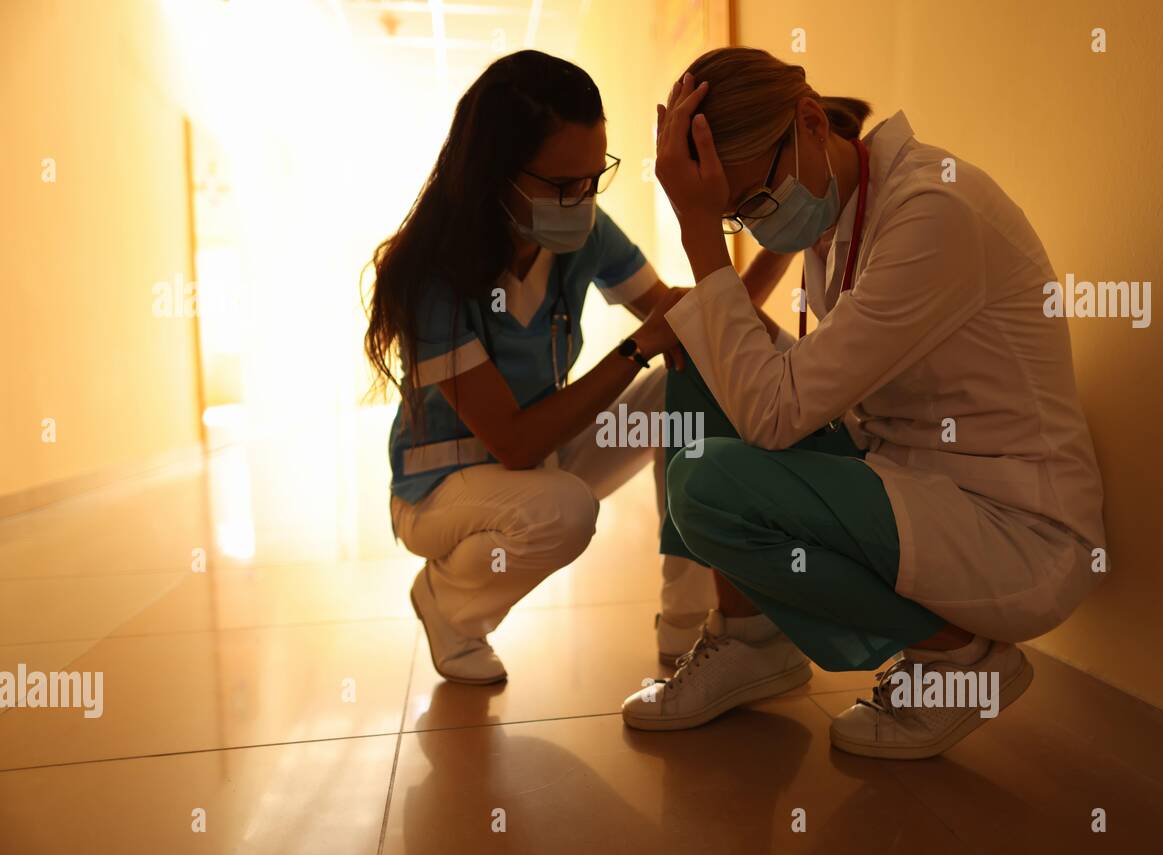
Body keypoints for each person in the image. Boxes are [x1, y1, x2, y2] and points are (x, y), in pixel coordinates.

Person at [621, 47, 1106, 759]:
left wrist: (699, 236)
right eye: (734, 217)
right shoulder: (844, 213)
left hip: (1012, 529)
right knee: (699, 361)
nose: (755, 226)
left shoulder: (933, 211)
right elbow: (801, 397)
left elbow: (775, 415)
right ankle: (752, 640)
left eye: (754, 202)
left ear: (813, 122)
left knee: (704, 485)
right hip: (909, 474)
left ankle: (963, 661)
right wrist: (713, 313)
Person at [364, 50, 713, 684]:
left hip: (542, 456)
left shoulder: (581, 230)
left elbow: (677, 315)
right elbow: (515, 442)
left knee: (683, 392)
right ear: (496, 171)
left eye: (592, 177)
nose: (580, 199)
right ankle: (448, 606)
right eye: (560, 185)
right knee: (564, 511)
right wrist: (637, 348)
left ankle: (688, 623)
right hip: (444, 484)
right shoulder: (429, 276)